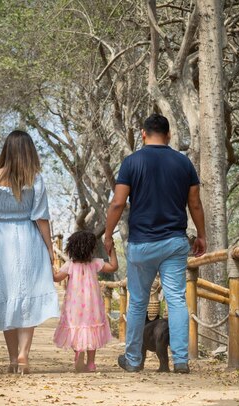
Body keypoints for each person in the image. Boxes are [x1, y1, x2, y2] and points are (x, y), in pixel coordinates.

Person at [104, 113, 207, 374]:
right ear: (169, 134)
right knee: (176, 300)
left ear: (142, 133)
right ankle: (181, 361)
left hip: (142, 243)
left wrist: (107, 235)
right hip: (174, 241)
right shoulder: (183, 163)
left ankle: (134, 360)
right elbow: (194, 202)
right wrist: (202, 235)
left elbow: (117, 202)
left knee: (138, 302)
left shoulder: (131, 162)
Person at [0, 130, 59, 375]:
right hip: (29, 239)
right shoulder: (36, 179)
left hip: (0, 240)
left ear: (5, 150)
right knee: (26, 297)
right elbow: (41, 218)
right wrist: (50, 249)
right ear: (30, 151)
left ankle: (11, 358)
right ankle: (23, 356)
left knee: (5, 295)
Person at [52, 230, 117, 372]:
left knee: (76, 329)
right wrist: (112, 250)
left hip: (74, 306)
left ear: (72, 248)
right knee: (91, 329)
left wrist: (50, 265)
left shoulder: (69, 265)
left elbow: (56, 278)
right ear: (91, 248)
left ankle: (78, 352)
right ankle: (91, 363)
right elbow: (113, 267)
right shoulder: (96, 263)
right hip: (92, 305)